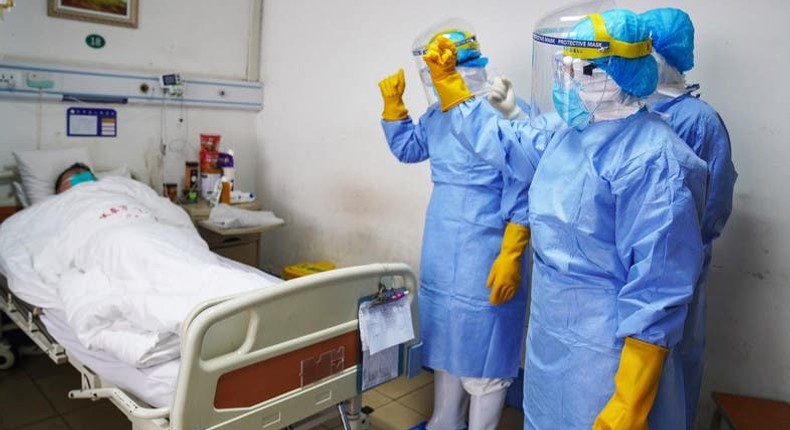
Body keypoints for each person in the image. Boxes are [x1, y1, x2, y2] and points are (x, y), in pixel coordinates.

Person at [430, 4, 708, 428]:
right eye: (565, 67)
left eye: (583, 70)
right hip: (550, 337)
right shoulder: (566, 133)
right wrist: (451, 87)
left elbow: (658, 288)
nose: (567, 80)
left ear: (618, 75)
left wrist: (629, 400)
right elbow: (503, 140)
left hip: (606, 352)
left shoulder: (653, 159)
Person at [377, 19, 531, 430]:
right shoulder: (439, 112)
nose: (433, 81)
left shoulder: (506, 107)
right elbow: (411, 148)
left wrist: (512, 252)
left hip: (489, 242)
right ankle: (445, 418)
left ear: (460, 67)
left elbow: (524, 181)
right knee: (445, 335)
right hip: (443, 239)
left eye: (437, 72)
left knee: (485, 344)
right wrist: (395, 109)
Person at [642, 8, 737, 429]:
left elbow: (714, 203)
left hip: (680, 265)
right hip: (630, 262)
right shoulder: (628, 114)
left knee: (673, 360)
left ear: (663, 56)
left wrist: (682, 247)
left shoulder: (701, 121)